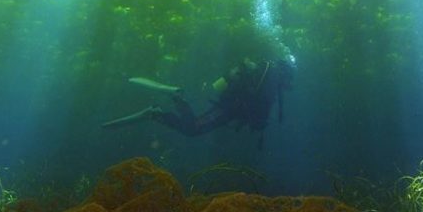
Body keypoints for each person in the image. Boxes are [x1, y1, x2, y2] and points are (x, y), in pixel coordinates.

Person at [102, 57, 294, 143]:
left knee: (193, 128)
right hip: (228, 109)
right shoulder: (271, 85)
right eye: (289, 80)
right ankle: (163, 107)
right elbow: (259, 118)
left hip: (228, 106)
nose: (288, 84)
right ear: (286, 75)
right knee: (193, 129)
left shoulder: (265, 74)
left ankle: (163, 108)